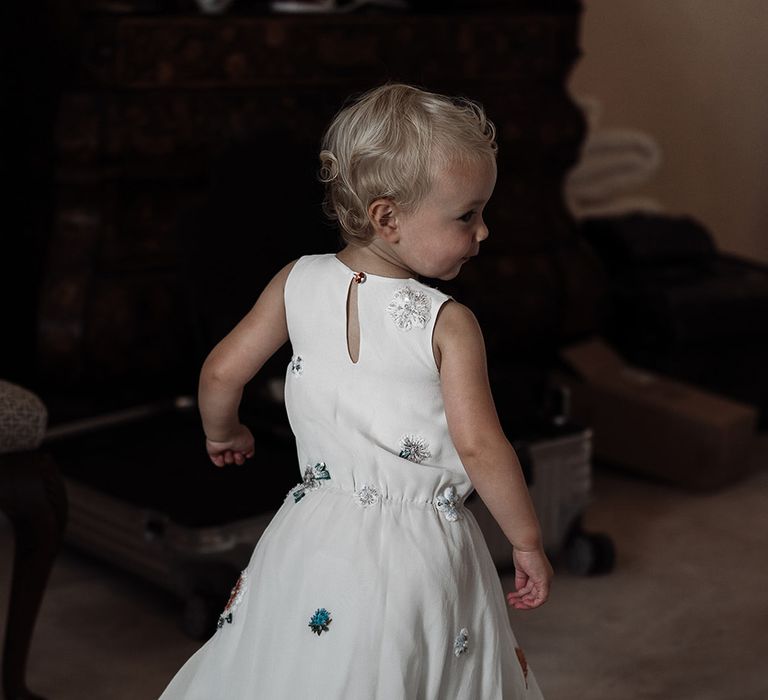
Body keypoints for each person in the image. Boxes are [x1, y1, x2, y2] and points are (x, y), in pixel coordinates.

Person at [159, 83, 552, 699]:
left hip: (311, 531)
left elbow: (220, 373)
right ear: (387, 217)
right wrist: (526, 539)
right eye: (466, 215)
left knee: (305, 670)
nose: (483, 232)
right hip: (418, 553)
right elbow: (480, 446)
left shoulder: (296, 281)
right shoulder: (446, 321)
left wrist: (223, 430)